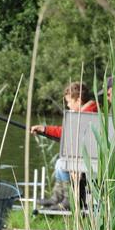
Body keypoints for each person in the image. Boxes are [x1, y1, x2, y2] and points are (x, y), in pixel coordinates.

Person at [31, 82, 98, 210]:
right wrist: (44, 129)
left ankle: (70, 200)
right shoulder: (93, 110)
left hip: (87, 159)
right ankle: (58, 197)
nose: (67, 105)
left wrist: (44, 129)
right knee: (60, 163)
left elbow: (65, 132)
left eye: (69, 102)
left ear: (78, 100)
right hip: (89, 157)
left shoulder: (85, 115)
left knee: (62, 164)